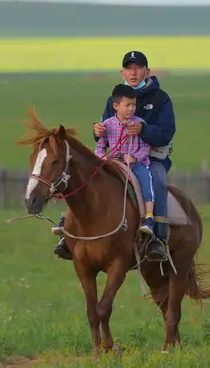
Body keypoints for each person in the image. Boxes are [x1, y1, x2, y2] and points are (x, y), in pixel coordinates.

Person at [53, 50, 176, 261]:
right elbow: (106, 131)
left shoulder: (160, 99)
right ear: (122, 73)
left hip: (150, 157)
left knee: (157, 180)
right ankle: (69, 232)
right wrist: (97, 131)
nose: (134, 72)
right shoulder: (116, 98)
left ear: (147, 71)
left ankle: (158, 237)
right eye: (129, 68)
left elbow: (166, 133)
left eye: (138, 68)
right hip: (116, 156)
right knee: (85, 178)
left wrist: (142, 130)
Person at [94, 84, 159, 240]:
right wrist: (102, 158)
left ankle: (149, 217)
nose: (131, 109)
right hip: (113, 164)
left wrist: (135, 157)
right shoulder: (107, 125)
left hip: (136, 165)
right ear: (116, 106)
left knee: (146, 182)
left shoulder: (139, 123)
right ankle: (70, 218)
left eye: (134, 105)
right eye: (127, 105)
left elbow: (145, 146)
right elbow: (100, 146)